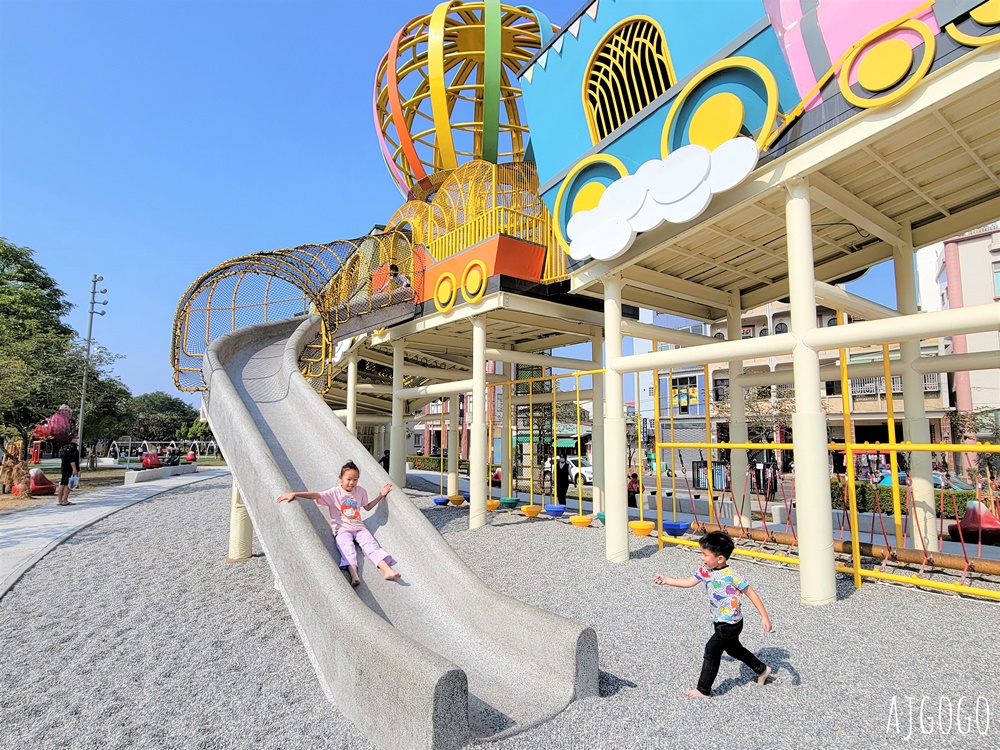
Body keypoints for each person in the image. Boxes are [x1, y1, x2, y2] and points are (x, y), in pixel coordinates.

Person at [653, 531, 772, 698]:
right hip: (718, 620)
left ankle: (703, 689)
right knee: (734, 650)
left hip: (731, 623)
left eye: (705, 554)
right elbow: (689, 582)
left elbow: (751, 593)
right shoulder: (705, 570)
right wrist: (667, 580)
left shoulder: (732, 576)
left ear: (720, 559)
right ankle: (763, 669)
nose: (702, 558)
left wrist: (764, 617)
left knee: (711, 650)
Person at [276, 460, 400, 587]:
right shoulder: (334, 493)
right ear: (341, 478)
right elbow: (315, 495)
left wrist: (381, 495)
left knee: (371, 545)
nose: (352, 482)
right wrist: (295, 493)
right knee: (347, 549)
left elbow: (367, 507)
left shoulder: (361, 491)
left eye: (355, 479)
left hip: (359, 527)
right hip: (342, 529)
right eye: (349, 479)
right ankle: (354, 575)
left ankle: (387, 570)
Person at [58, 436, 80, 506]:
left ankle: (60, 500)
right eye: (75, 438)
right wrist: (74, 469)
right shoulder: (72, 449)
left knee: (63, 483)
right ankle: (65, 500)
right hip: (70, 468)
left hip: (64, 467)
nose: (76, 440)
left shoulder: (64, 448)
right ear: (72, 439)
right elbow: (72, 460)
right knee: (69, 484)